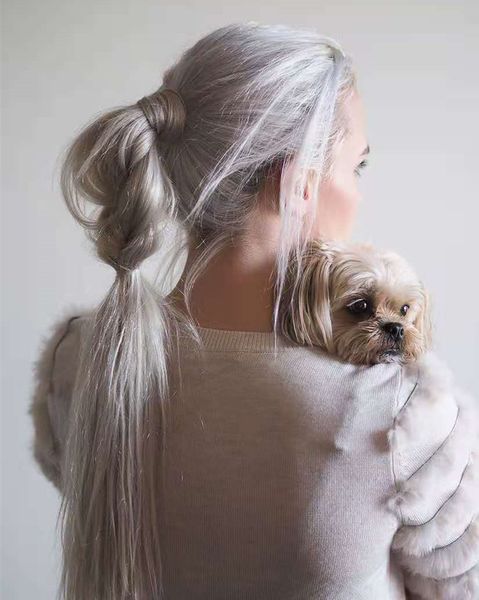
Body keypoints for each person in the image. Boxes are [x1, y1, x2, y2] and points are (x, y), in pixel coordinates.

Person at [28, 22, 479, 600]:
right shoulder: (398, 412)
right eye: (356, 166)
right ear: (297, 184)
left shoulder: (79, 360)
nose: (360, 193)